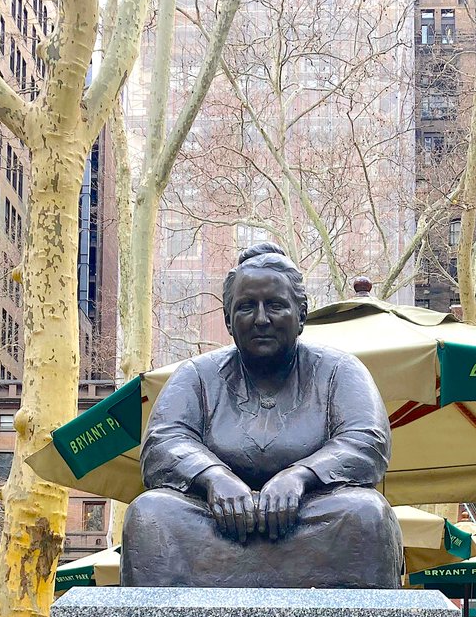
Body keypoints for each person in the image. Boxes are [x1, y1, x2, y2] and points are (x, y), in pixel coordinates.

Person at [121, 243, 404, 588]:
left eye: (275, 305)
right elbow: (162, 443)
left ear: (301, 315)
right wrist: (215, 477)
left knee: (365, 514)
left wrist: (299, 477)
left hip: (310, 521)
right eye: (245, 307)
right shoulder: (196, 375)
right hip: (214, 525)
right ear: (227, 319)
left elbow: (366, 442)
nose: (260, 319)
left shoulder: (340, 371)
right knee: (150, 514)